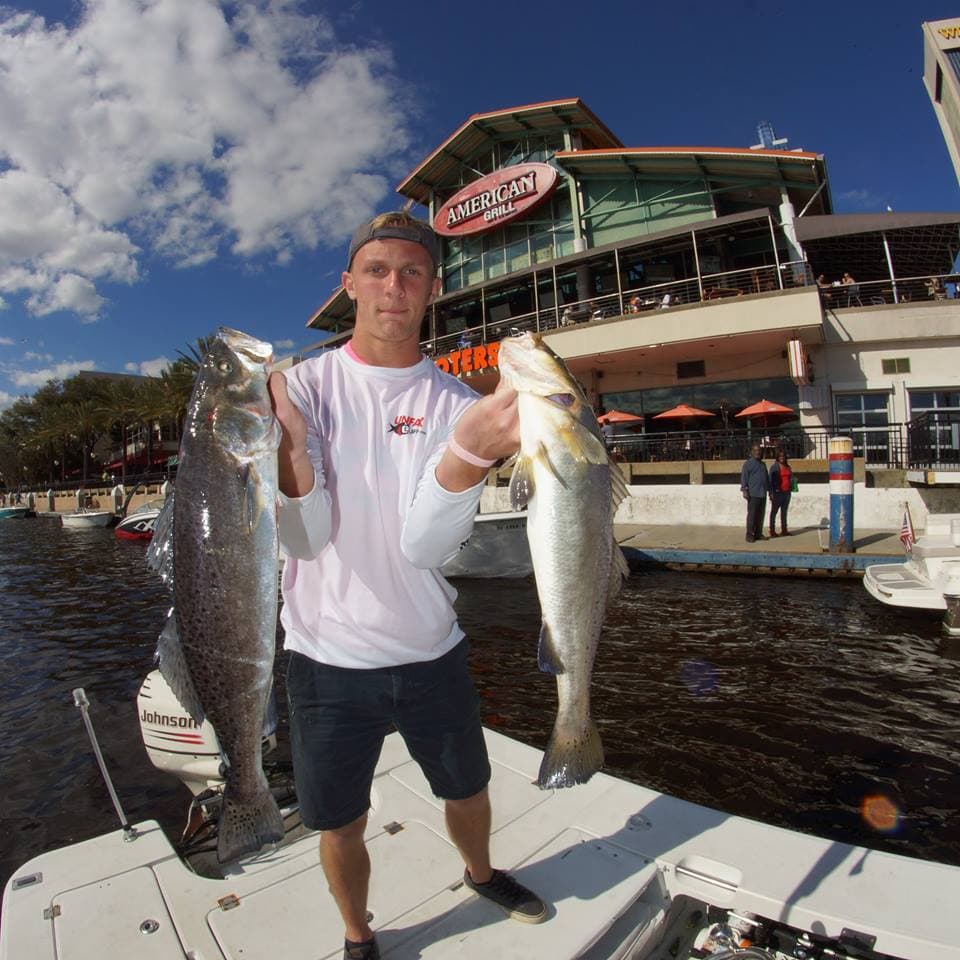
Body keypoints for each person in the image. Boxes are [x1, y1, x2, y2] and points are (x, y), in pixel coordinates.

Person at [268, 211, 547, 960]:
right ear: (349, 284)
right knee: (339, 820)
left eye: (413, 271)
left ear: (433, 288)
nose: (395, 285)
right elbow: (303, 538)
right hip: (325, 661)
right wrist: (292, 446)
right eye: (379, 270)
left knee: (468, 789)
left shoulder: (461, 406)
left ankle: (482, 873)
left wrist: (464, 455)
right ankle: (359, 935)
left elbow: (425, 544)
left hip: (432, 648)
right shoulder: (300, 388)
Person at [740, 443, 770, 543]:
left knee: (761, 515)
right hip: (753, 494)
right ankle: (749, 535)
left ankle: (758, 533)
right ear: (752, 452)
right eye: (755, 450)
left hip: (762, 493)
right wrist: (744, 490)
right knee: (752, 515)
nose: (758, 452)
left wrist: (770, 492)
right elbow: (744, 478)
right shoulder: (748, 464)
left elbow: (766, 479)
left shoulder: (763, 464)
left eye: (759, 450)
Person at [768, 449, 793, 537]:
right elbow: (770, 481)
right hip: (777, 493)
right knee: (774, 512)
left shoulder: (788, 467)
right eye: (780, 456)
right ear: (777, 457)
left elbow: (790, 477)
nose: (782, 458)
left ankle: (784, 530)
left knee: (784, 512)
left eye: (783, 456)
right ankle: (772, 530)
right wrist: (771, 493)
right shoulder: (774, 467)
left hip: (787, 492)